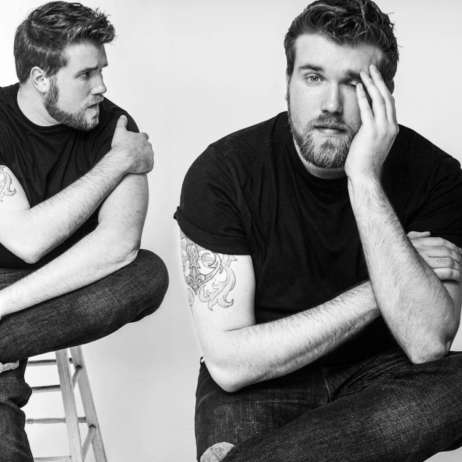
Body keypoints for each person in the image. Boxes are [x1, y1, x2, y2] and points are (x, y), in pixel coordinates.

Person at [176, 0, 462, 460]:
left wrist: (364, 179)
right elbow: (229, 364)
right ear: (287, 83)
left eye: (354, 83)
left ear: (386, 94)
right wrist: (379, 290)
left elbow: (427, 343)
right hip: (262, 379)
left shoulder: (436, 175)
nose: (331, 105)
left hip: (381, 376)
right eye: (313, 77)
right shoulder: (223, 173)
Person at [0, 2, 168, 461]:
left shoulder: (116, 126)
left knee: (149, 274)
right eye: (86, 75)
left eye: (102, 70)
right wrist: (119, 161)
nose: (102, 86)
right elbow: (26, 240)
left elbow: (119, 247)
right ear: (41, 78)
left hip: (78, 271)